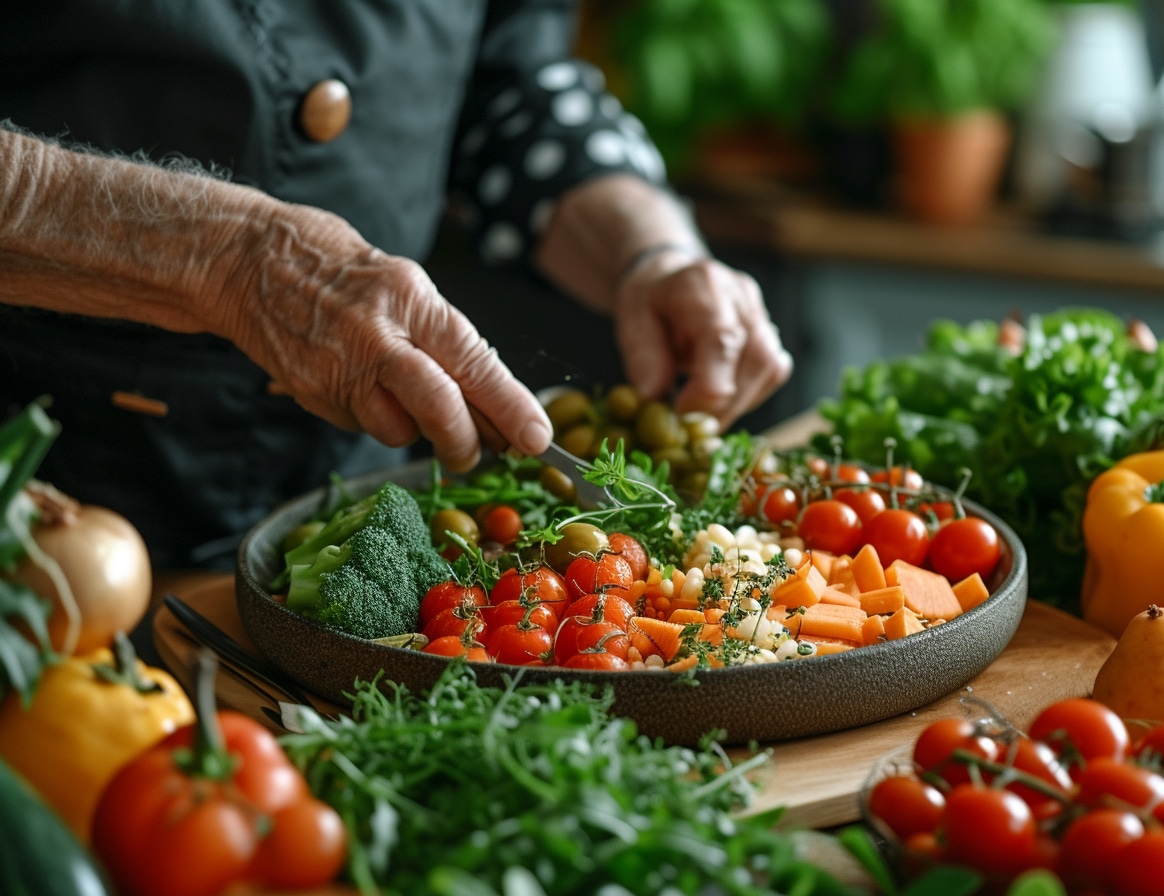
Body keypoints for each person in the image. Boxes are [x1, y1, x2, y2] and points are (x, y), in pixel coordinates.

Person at [0, 2, 792, 570]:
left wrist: (649, 249)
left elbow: (512, 82)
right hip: (42, 512)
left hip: (349, 507)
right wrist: (232, 259)